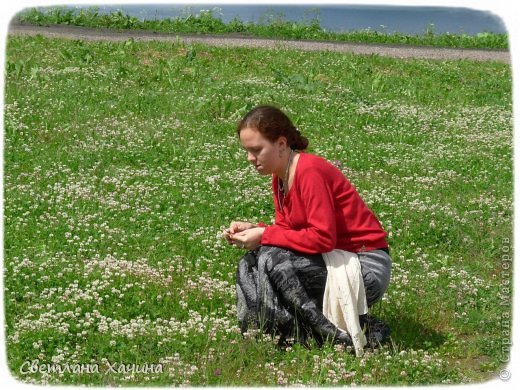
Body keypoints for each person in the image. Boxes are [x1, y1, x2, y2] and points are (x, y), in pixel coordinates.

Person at [223, 105, 392, 348]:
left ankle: (329, 334)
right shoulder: (281, 175)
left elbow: (322, 238)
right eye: (247, 151)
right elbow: (288, 231)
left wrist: (264, 234)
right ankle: (271, 330)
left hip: (364, 266)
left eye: (256, 150)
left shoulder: (309, 170)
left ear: (281, 144)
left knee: (273, 260)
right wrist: (255, 228)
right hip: (336, 259)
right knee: (252, 261)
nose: (250, 158)